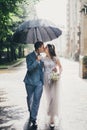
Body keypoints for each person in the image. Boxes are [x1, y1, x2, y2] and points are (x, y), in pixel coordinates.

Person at [24, 41, 44, 129]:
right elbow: (29, 69)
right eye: (42, 47)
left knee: (36, 101)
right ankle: (31, 111)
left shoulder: (42, 57)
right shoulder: (29, 56)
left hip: (39, 83)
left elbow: (43, 69)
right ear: (38, 48)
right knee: (30, 99)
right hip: (29, 82)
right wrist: (36, 61)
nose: (43, 48)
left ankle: (33, 118)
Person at [43, 44, 62, 128]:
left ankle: (52, 119)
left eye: (46, 47)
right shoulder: (43, 59)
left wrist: (58, 73)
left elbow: (61, 67)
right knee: (49, 97)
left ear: (49, 49)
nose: (44, 48)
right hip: (46, 80)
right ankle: (50, 112)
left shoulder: (55, 59)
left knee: (53, 98)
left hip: (54, 79)